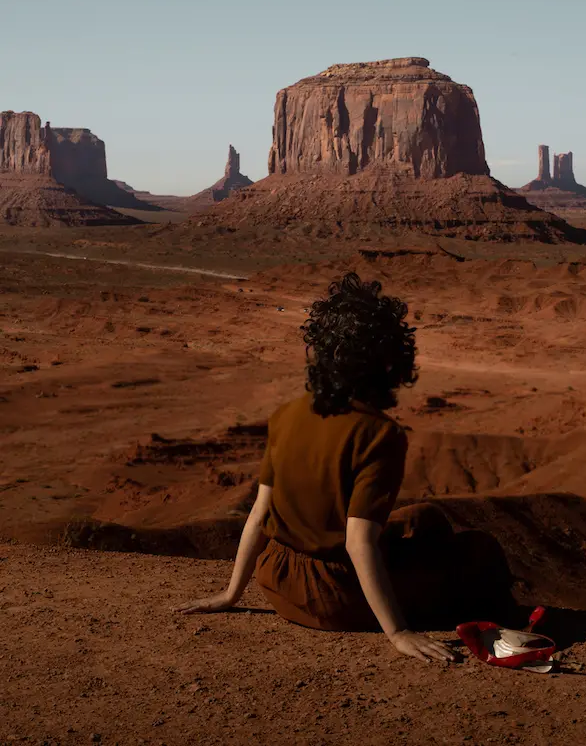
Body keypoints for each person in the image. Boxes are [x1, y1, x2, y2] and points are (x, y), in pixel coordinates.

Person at [175, 273, 510, 662]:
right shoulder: (379, 434)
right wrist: (398, 633)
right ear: (388, 361)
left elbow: (259, 513)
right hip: (332, 596)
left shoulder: (286, 415)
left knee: (427, 518)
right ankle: (503, 619)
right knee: (479, 550)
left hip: (277, 580)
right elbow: (357, 542)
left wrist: (231, 594)